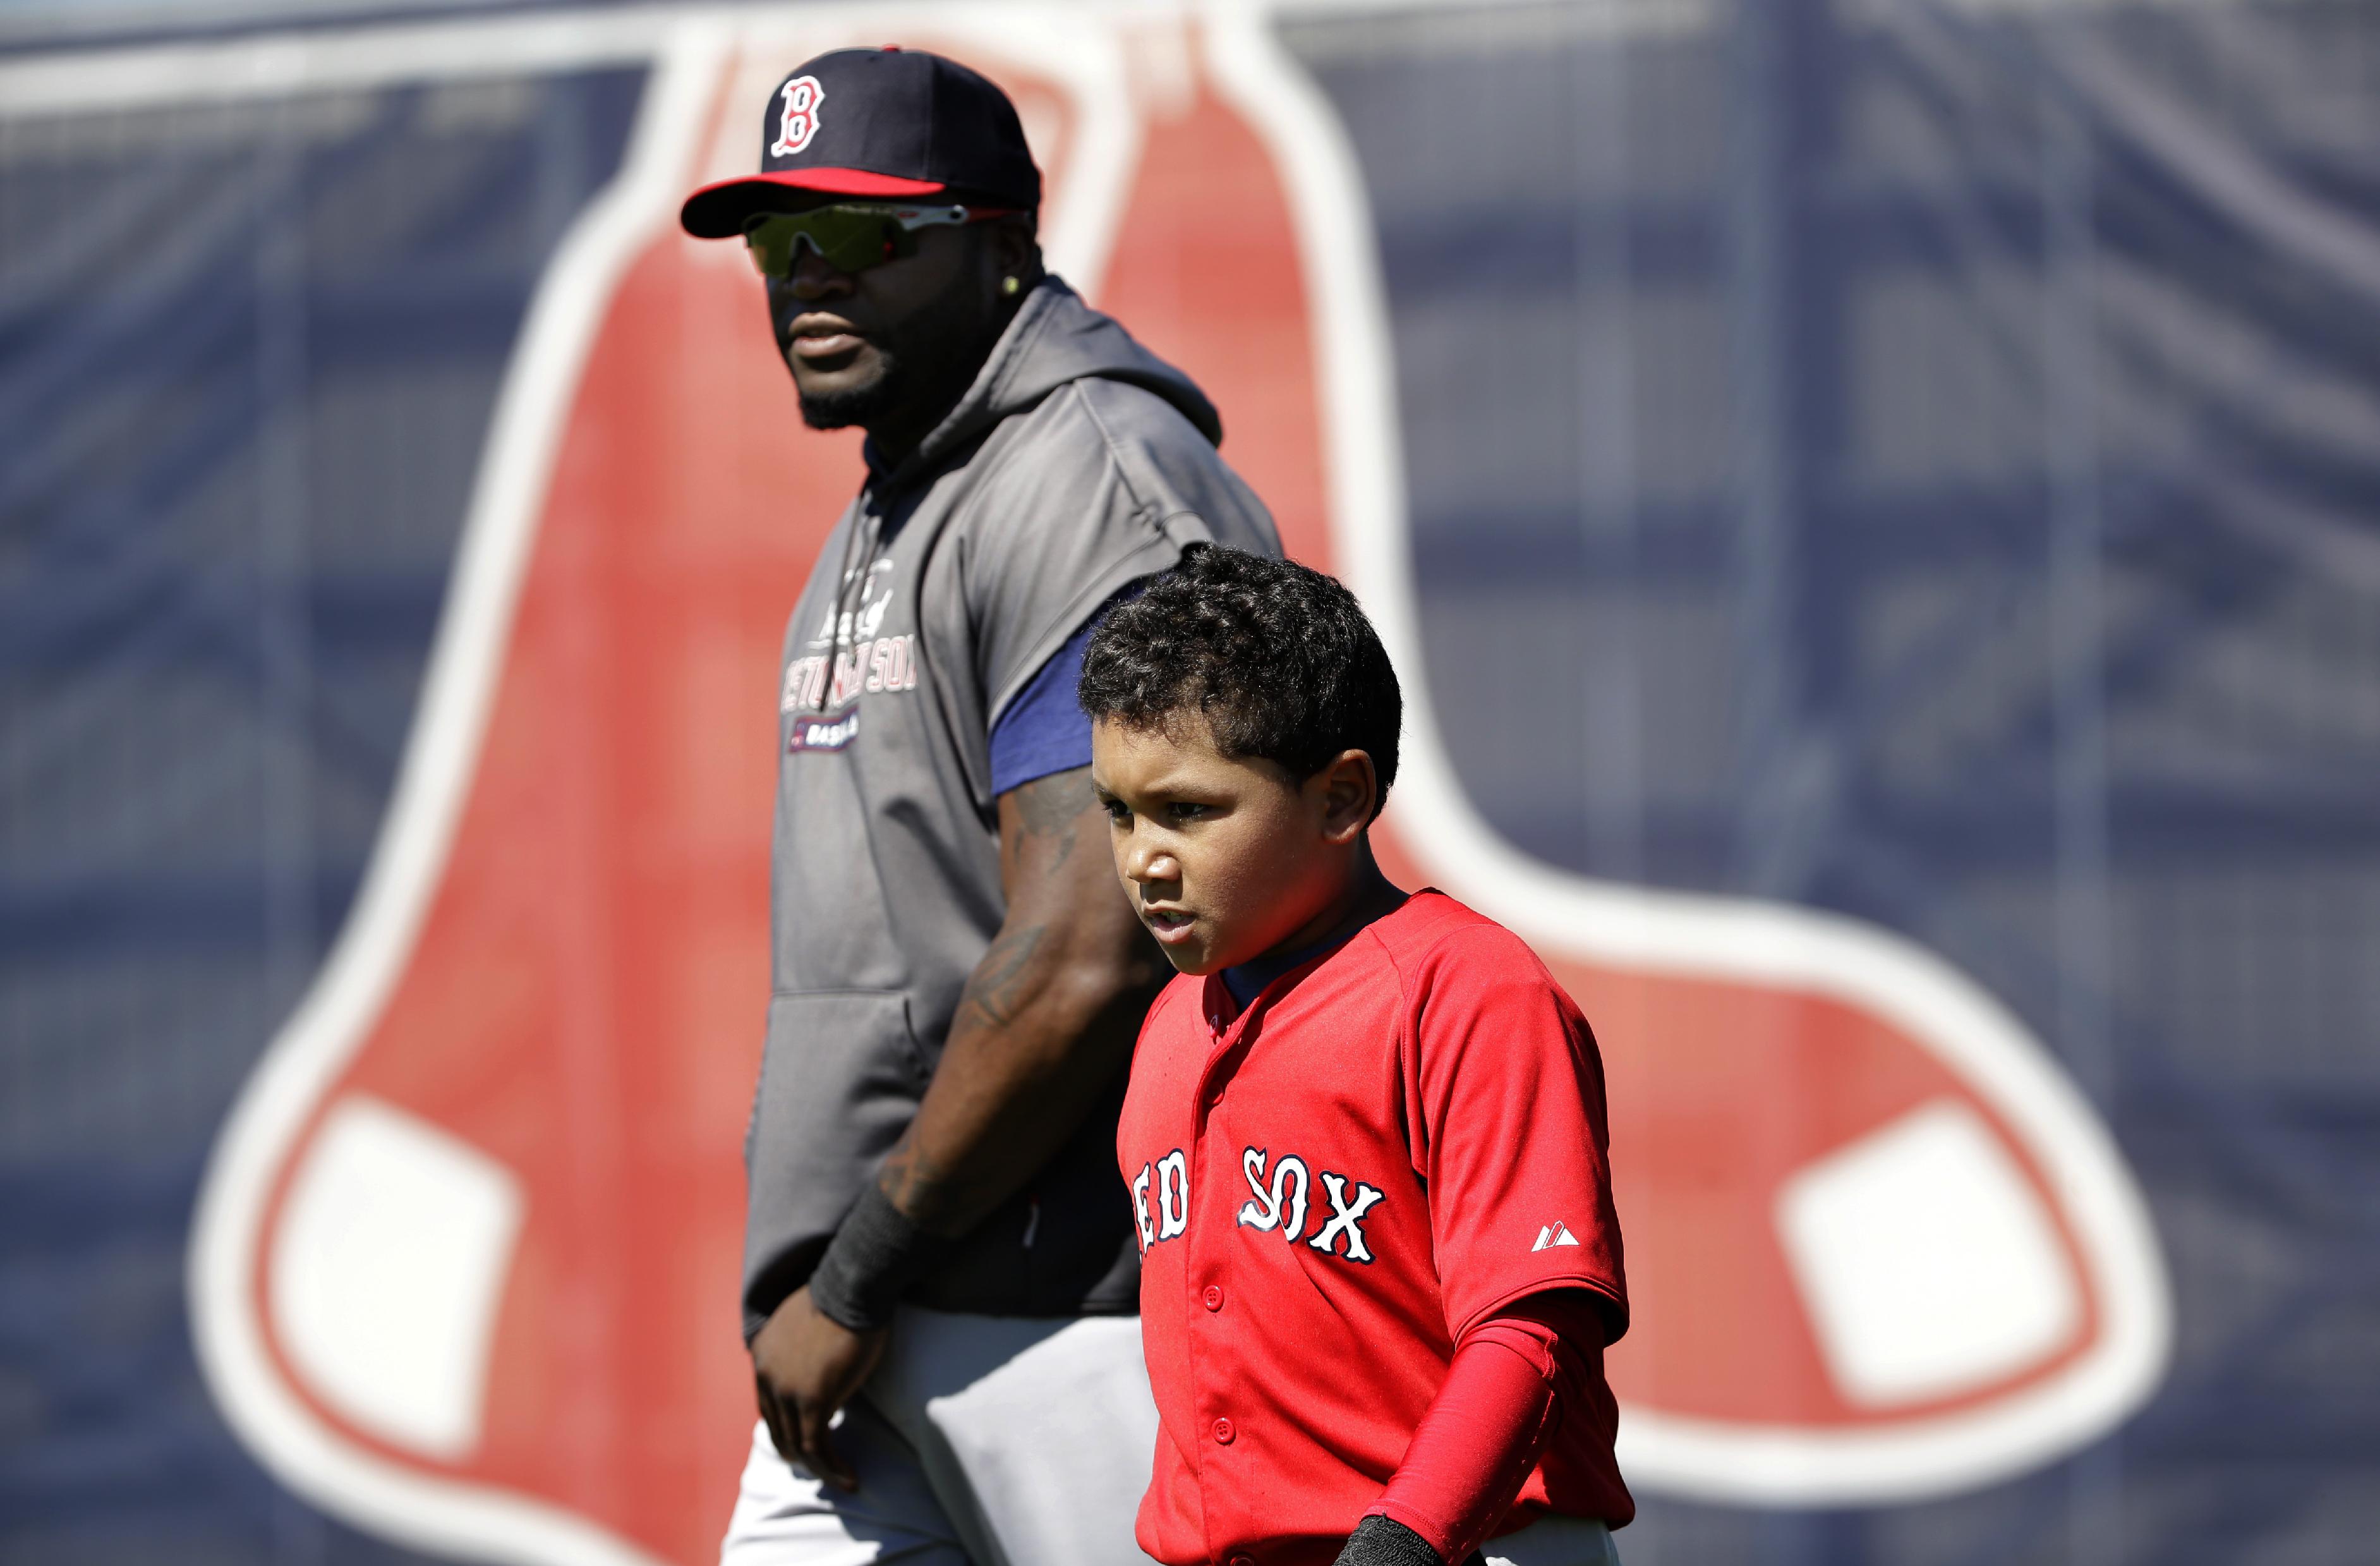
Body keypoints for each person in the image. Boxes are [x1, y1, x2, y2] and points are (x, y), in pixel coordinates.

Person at [676, 47, 1280, 1566]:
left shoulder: (1089, 478)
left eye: (867, 235)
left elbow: (1092, 945)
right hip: (886, 1318)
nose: (810, 277)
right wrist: (853, 1284)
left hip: (1080, 1312)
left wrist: (857, 1272)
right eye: (777, 238)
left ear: (1003, 239)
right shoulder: (904, 493)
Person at [1081, 547, 1634, 1566]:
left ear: (1342, 799)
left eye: (1190, 810)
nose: (1143, 858)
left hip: (1464, 1546)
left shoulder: (1467, 988)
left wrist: (1401, 1545)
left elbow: (1534, 1325)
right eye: (1120, 810)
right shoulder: (1170, 1022)